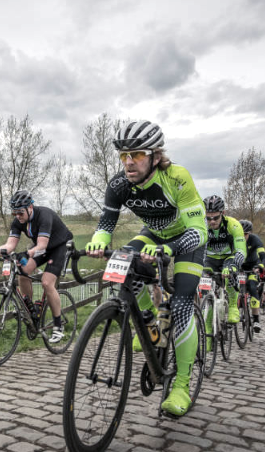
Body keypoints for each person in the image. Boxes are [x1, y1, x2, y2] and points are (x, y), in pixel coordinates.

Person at [85, 120, 206, 416]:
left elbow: (199, 229)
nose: (128, 162)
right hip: (153, 235)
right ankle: (150, 324)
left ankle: (181, 385)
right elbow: (106, 222)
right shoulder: (118, 184)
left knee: (179, 306)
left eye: (136, 154)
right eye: (123, 155)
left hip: (187, 240)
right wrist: (98, 240)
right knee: (122, 261)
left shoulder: (177, 177)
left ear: (154, 155)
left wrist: (170, 249)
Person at [0, 191, 74, 342]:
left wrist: (27, 253)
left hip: (58, 247)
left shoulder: (44, 215)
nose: (18, 216)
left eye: (20, 212)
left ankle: (58, 326)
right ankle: (31, 312)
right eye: (14, 213)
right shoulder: (18, 221)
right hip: (41, 248)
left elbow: (42, 245)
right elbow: (9, 246)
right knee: (22, 273)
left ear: (30, 207)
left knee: (46, 282)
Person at [202, 195, 246, 324]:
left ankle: (233, 306)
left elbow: (241, 251)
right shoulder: (202, 225)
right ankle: (207, 319)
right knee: (204, 285)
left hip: (229, 258)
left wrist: (234, 266)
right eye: (208, 218)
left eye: (215, 217)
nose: (212, 222)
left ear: (223, 213)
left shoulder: (233, 225)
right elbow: (197, 249)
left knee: (230, 275)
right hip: (209, 259)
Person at [237, 219, 265, 332]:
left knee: (252, 286)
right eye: (241, 234)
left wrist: (260, 266)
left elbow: (263, 257)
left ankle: (256, 319)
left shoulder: (255, 239)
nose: (243, 236)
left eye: (246, 234)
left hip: (252, 267)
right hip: (239, 266)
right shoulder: (234, 238)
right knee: (233, 287)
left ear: (249, 233)